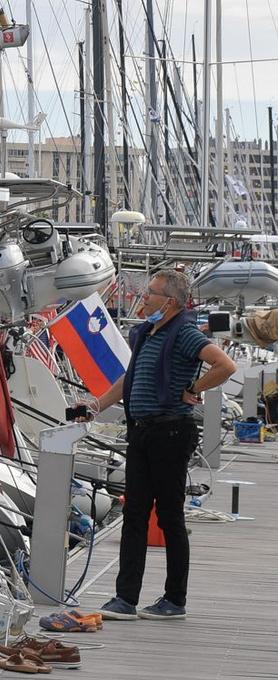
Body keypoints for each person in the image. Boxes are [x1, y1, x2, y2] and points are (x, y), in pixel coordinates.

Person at [77, 265, 234, 620]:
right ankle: (125, 598)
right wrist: (96, 405)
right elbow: (130, 378)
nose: (143, 298)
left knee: (169, 517)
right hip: (143, 432)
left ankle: (174, 600)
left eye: (151, 293)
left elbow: (225, 365)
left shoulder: (185, 334)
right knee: (134, 514)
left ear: (172, 302)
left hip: (170, 432)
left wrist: (193, 389)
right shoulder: (147, 333)